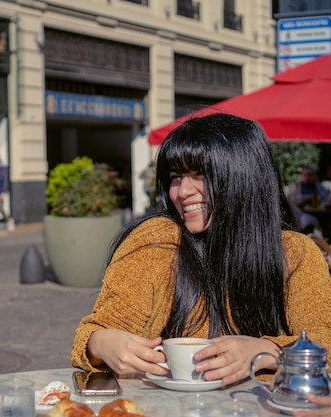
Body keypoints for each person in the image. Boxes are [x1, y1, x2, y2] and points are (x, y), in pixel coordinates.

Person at [71, 113, 331, 387]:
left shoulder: (295, 252)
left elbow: (324, 340)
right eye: (175, 177)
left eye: (200, 175)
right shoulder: (156, 240)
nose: (182, 192)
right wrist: (100, 344)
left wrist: (265, 351)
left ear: (244, 177)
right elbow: (97, 332)